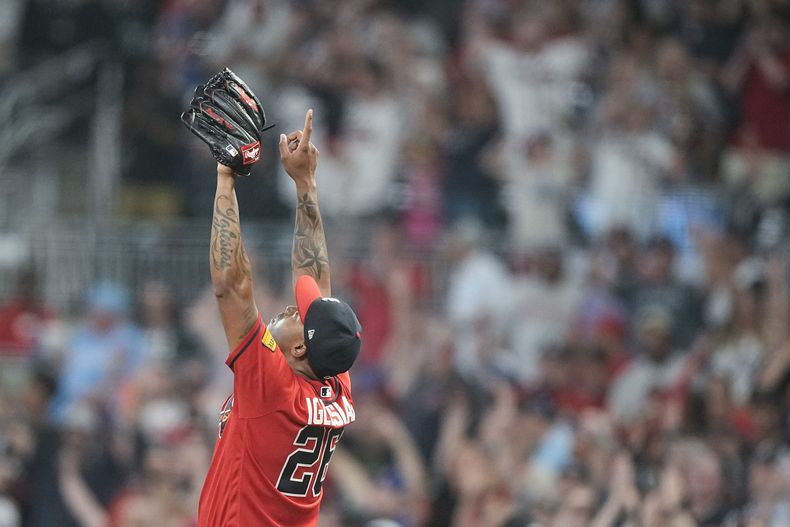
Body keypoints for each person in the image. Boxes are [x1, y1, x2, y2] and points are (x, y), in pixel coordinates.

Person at [197, 109, 363, 527]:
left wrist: (226, 177)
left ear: (301, 346)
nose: (292, 306)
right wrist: (305, 183)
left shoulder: (274, 384)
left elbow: (230, 286)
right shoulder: (332, 378)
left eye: (296, 314)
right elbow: (314, 277)